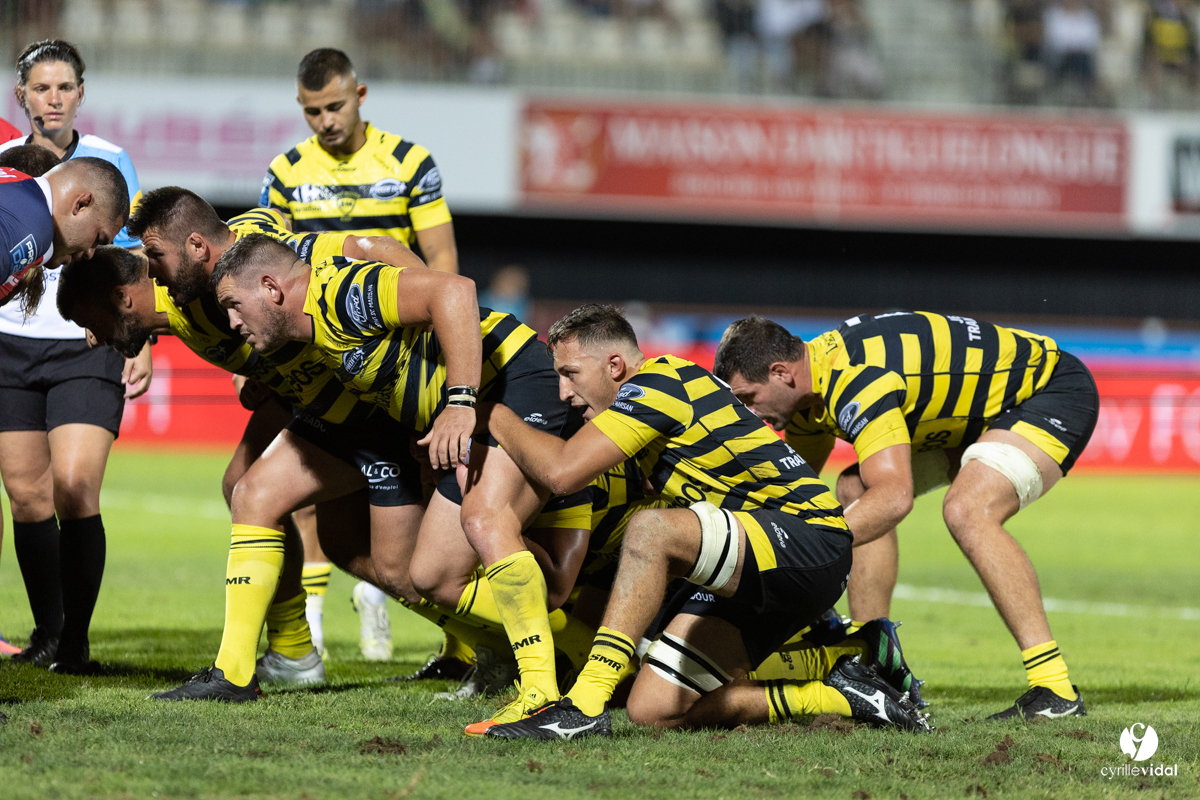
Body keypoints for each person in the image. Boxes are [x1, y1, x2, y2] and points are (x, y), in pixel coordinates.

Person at [470, 304, 929, 739]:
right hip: (759, 557)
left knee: (652, 531)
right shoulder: (650, 412)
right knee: (654, 710)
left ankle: (583, 706)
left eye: (570, 374)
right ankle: (845, 687)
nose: (563, 393)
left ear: (614, 365)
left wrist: (492, 414)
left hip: (808, 536)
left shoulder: (658, 382)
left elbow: (562, 472)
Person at [211, 235, 582, 732]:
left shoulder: (338, 295)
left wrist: (460, 401)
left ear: (272, 288)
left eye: (235, 306)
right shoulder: (313, 331)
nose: (233, 323)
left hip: (515, 383)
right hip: (464, 411)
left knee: (482, 521)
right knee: (429, 574)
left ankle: (545, 693)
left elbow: (454, 291)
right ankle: (573, 649)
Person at [712, 312, 1099, 720]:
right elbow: (786, 499)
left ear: (781, 373)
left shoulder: (855, 378)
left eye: (748, 398)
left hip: (1049, 391)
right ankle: (872, 668)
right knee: (855, 488)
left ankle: (1055, 690)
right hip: (976, 414)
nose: (748, 414)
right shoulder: (809, 398)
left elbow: (895, 498)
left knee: (968, 510)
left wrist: (804, 551)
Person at [262, 47, 460, 662]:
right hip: (320, 358)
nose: (324, 119)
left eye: (334, 105)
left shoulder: (409, 162)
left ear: (361, 94)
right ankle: (314, 625)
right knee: (306, 492)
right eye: (312, 110)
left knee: (434, 495)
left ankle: (459, 643)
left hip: (400, 359)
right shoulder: (286, 170)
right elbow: (268, 266)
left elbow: (443, 264)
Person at [0, 46, 145, 672]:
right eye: (41, 87)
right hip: (9, 346)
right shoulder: (6, 166)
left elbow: (132, 257)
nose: (53, 98)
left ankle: (77, 642)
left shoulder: (110, 164)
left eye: (64, 87)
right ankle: (48, 634)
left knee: (74, 486)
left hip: (82, 345)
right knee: (27, 497)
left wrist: (139, 339)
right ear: (22, 96)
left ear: (81, 93)